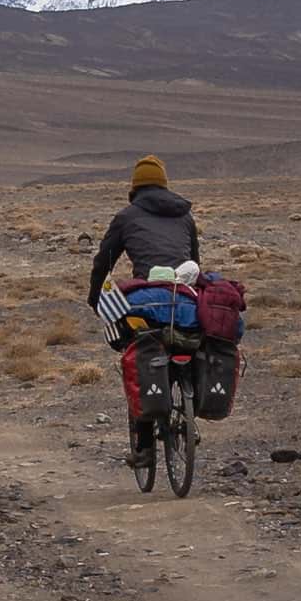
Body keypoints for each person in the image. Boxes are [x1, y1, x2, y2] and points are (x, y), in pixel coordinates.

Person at [86, 156, 199, 470]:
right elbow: (195, 263)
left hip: (147, 306)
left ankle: (145, 446)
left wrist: (95, 298)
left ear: (135, 186)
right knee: (186, 339)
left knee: (138, 355)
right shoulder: (185, 216)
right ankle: (189, 405)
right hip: (184, 302)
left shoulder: (126, 217)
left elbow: (102, 263)